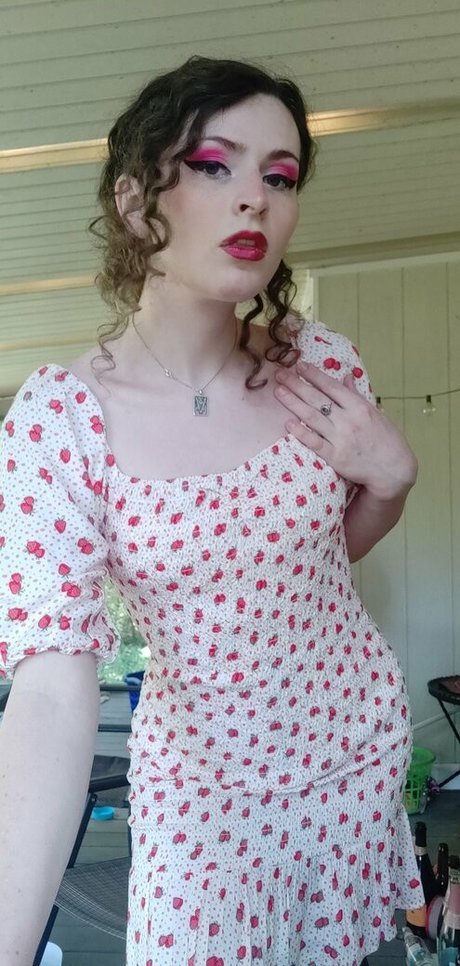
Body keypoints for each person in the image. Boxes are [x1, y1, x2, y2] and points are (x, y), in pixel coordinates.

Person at [0, 56, 424, 966]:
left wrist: (390, 485)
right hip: (204, 803)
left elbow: (320, 561)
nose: (255, 199)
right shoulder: (59, 422)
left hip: (349, 753)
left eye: (280, 176)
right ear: (132, 200)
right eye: (212, 164)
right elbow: (50, 689)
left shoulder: (321, 366)